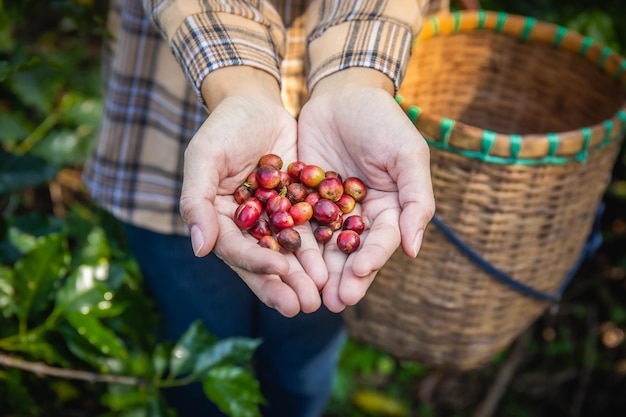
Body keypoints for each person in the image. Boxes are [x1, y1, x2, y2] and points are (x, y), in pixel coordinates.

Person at [83, 0, 436, 416]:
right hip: (166, 134)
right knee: (201, 358)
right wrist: (240, 87)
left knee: (302, 365)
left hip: (334, 101)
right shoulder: (296, 197)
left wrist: (355, 80)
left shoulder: (306, 196)